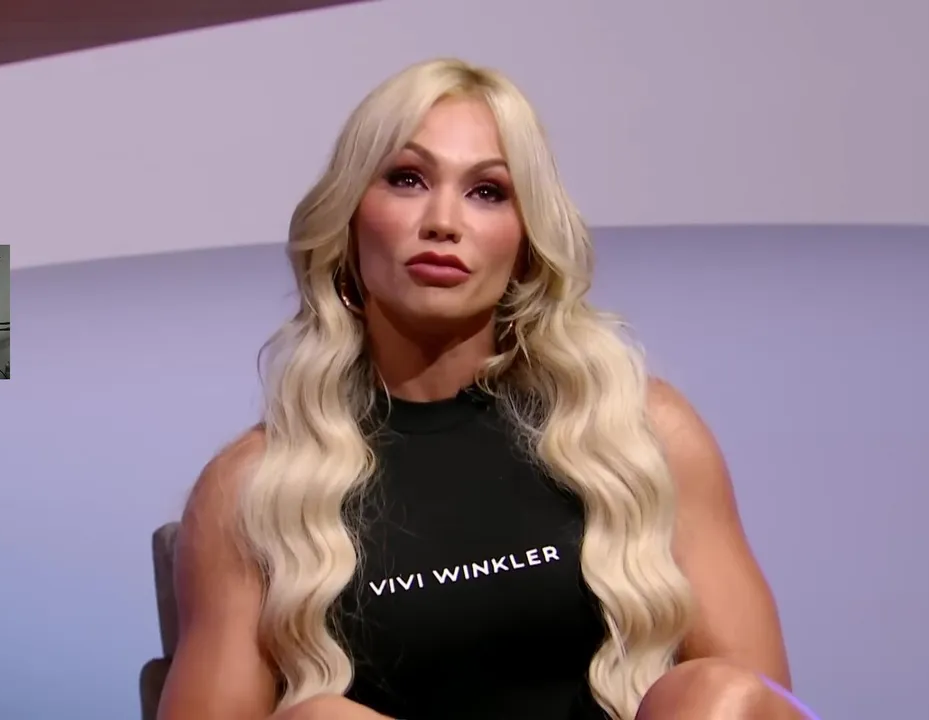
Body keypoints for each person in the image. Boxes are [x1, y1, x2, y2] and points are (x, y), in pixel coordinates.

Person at [159, 59, 812, 720]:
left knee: (717, 693)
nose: (443, 221)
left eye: (488, 191)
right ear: (350, 219)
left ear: (526, 242)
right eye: (407, 179)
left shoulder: (640, 432)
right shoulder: (255, 488)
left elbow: (760, 703)